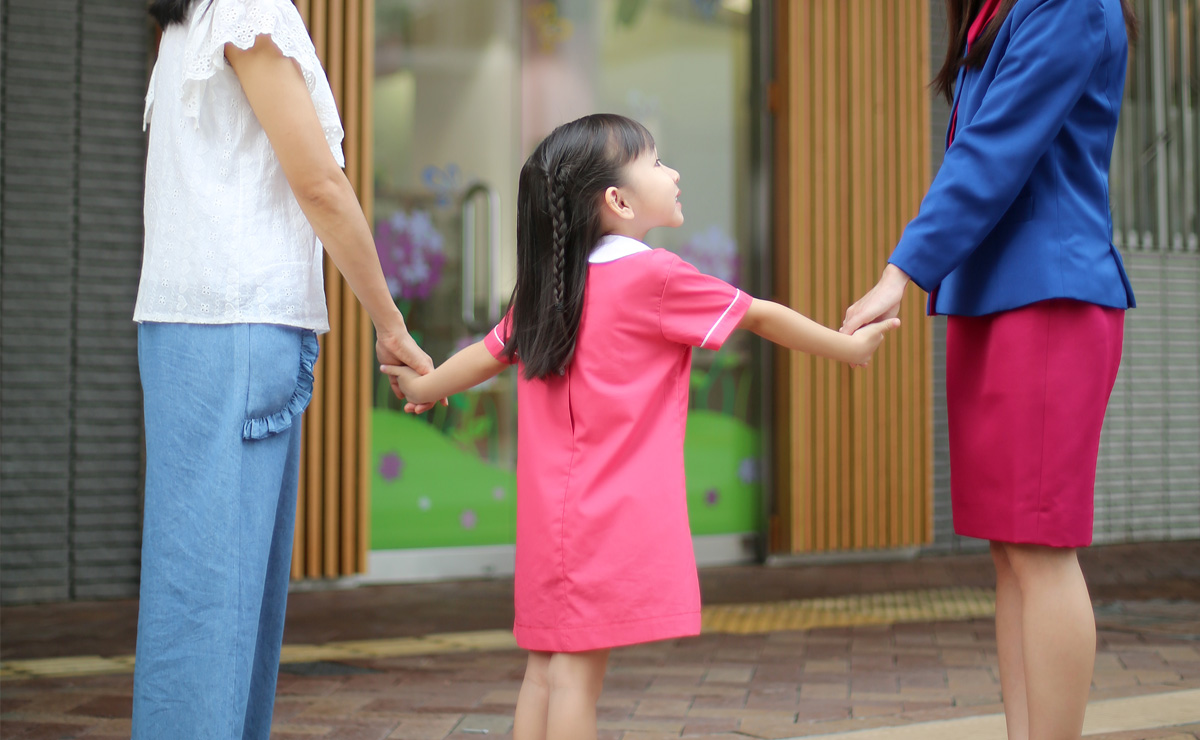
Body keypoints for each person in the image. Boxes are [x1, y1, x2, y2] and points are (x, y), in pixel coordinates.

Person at [381, 113, 900, 740]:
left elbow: (487, 353)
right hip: (611, 513)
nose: (672, 172)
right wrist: (847, 349)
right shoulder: (654, 276)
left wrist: (422, 386)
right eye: (655, 163)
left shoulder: (550, 287)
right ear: (617, 200)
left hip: (551, 516)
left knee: (545, 668)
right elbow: (757, 317)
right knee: (578, 675)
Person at [134, 1, 433, 737]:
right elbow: (320, 184)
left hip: (184, 327)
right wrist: (391, 324)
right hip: (237, 322)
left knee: (198, 587)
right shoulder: (248, 9)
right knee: (222, 601)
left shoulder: (187, 22)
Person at [841, 1, 1138, 738]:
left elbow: (994, 151)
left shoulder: (1071, 4)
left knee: (1039, 548)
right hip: (997, 296)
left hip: (1049, 295)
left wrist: (900, 270)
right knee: (1012, 552)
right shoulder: (998, 9)